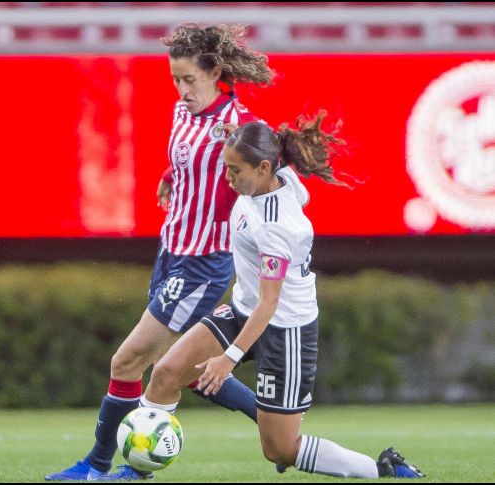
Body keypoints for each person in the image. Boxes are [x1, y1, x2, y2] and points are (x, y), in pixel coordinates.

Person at [46, 23, 310, 481]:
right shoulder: (181, 112)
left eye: (190, 79)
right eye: (175, 80)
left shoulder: (237, 128)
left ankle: (98, 465)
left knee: (128, 361)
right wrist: (172, 175)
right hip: (170, 251)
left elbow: (267, 182)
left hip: (203, 265)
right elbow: (187, 157)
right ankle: (280, 435)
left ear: (215, 72)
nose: (182, 89)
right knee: (184, 371)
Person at [138, 115, 425, 479]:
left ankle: (384, 471)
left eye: (234, 170)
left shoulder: (275, 227)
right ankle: (137, 470)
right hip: (245, 308)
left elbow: (269, 304)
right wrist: (235, 134)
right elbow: (267, 140)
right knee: (167, 373)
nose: (227, 178)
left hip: (283, 328)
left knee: (280, 449)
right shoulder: (278, 175)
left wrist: (228, 358)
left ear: (262, 168)